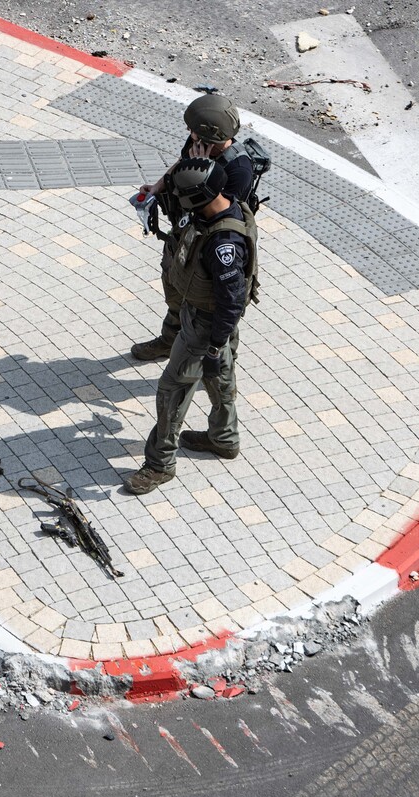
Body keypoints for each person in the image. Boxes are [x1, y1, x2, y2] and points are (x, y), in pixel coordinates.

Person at [124, 157, 259, 495]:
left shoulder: (223, 243)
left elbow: (230, 300)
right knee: (220, 375)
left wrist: (212, 344)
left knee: (173, 390)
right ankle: (223, 438)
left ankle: (159, 463)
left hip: (207, 324)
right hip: (212, 321)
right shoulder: (229, 203)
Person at [130, 92, 254, 363]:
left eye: (194, 130)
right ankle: (169, 340)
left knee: (210, 304)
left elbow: (223, 213)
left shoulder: (238, 171)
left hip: (210, 244)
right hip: (184, 233)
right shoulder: (198, 141)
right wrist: (159, 186)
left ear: (212, 135)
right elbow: (180, 164)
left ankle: (218, 362)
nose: (189, 133)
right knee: (174, 286)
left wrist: (203, 169)